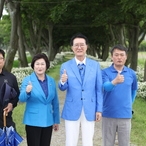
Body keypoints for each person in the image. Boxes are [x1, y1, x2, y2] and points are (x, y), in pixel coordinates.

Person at [58, 33, 103, 146]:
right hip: (72, 107)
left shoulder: (95, 65)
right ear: (72, 48)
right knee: (70, 141)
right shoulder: (65, 66)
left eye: (82, 45)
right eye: (76, 45)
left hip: (90, 107)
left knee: (88, 141)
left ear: (87, 47)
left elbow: (99, 89)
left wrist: (99, 109)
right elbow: (62, 88)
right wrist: (63, 81)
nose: (79, 47)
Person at [19, 53, 60, 146]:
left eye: (42, 64)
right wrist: (27, 92)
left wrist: (56, 120)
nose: (40, 67)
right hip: (33, 121)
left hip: (48, 120)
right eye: (37, 64)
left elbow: (55, 102)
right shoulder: (28, 80)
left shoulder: (51, 81)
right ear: (33, 65)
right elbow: (21, 99)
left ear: (46, 65)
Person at [102, 44, 138, 146]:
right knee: (107, 143)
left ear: (126, 57)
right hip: (108, 114)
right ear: (111, 57)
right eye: (116, 55)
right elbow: (105, 87)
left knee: (125, 143)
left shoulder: (131, 73)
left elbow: (134, 90)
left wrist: (129, 104)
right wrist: (115, 82)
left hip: (125, 115)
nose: (119, 57)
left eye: (122, 55)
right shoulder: (104, 73)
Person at [0, 49, 19, 129]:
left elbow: (16, 96)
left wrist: (11, 104)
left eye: (0, 58)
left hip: (6, 120)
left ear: (4, 60)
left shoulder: (11, 77)